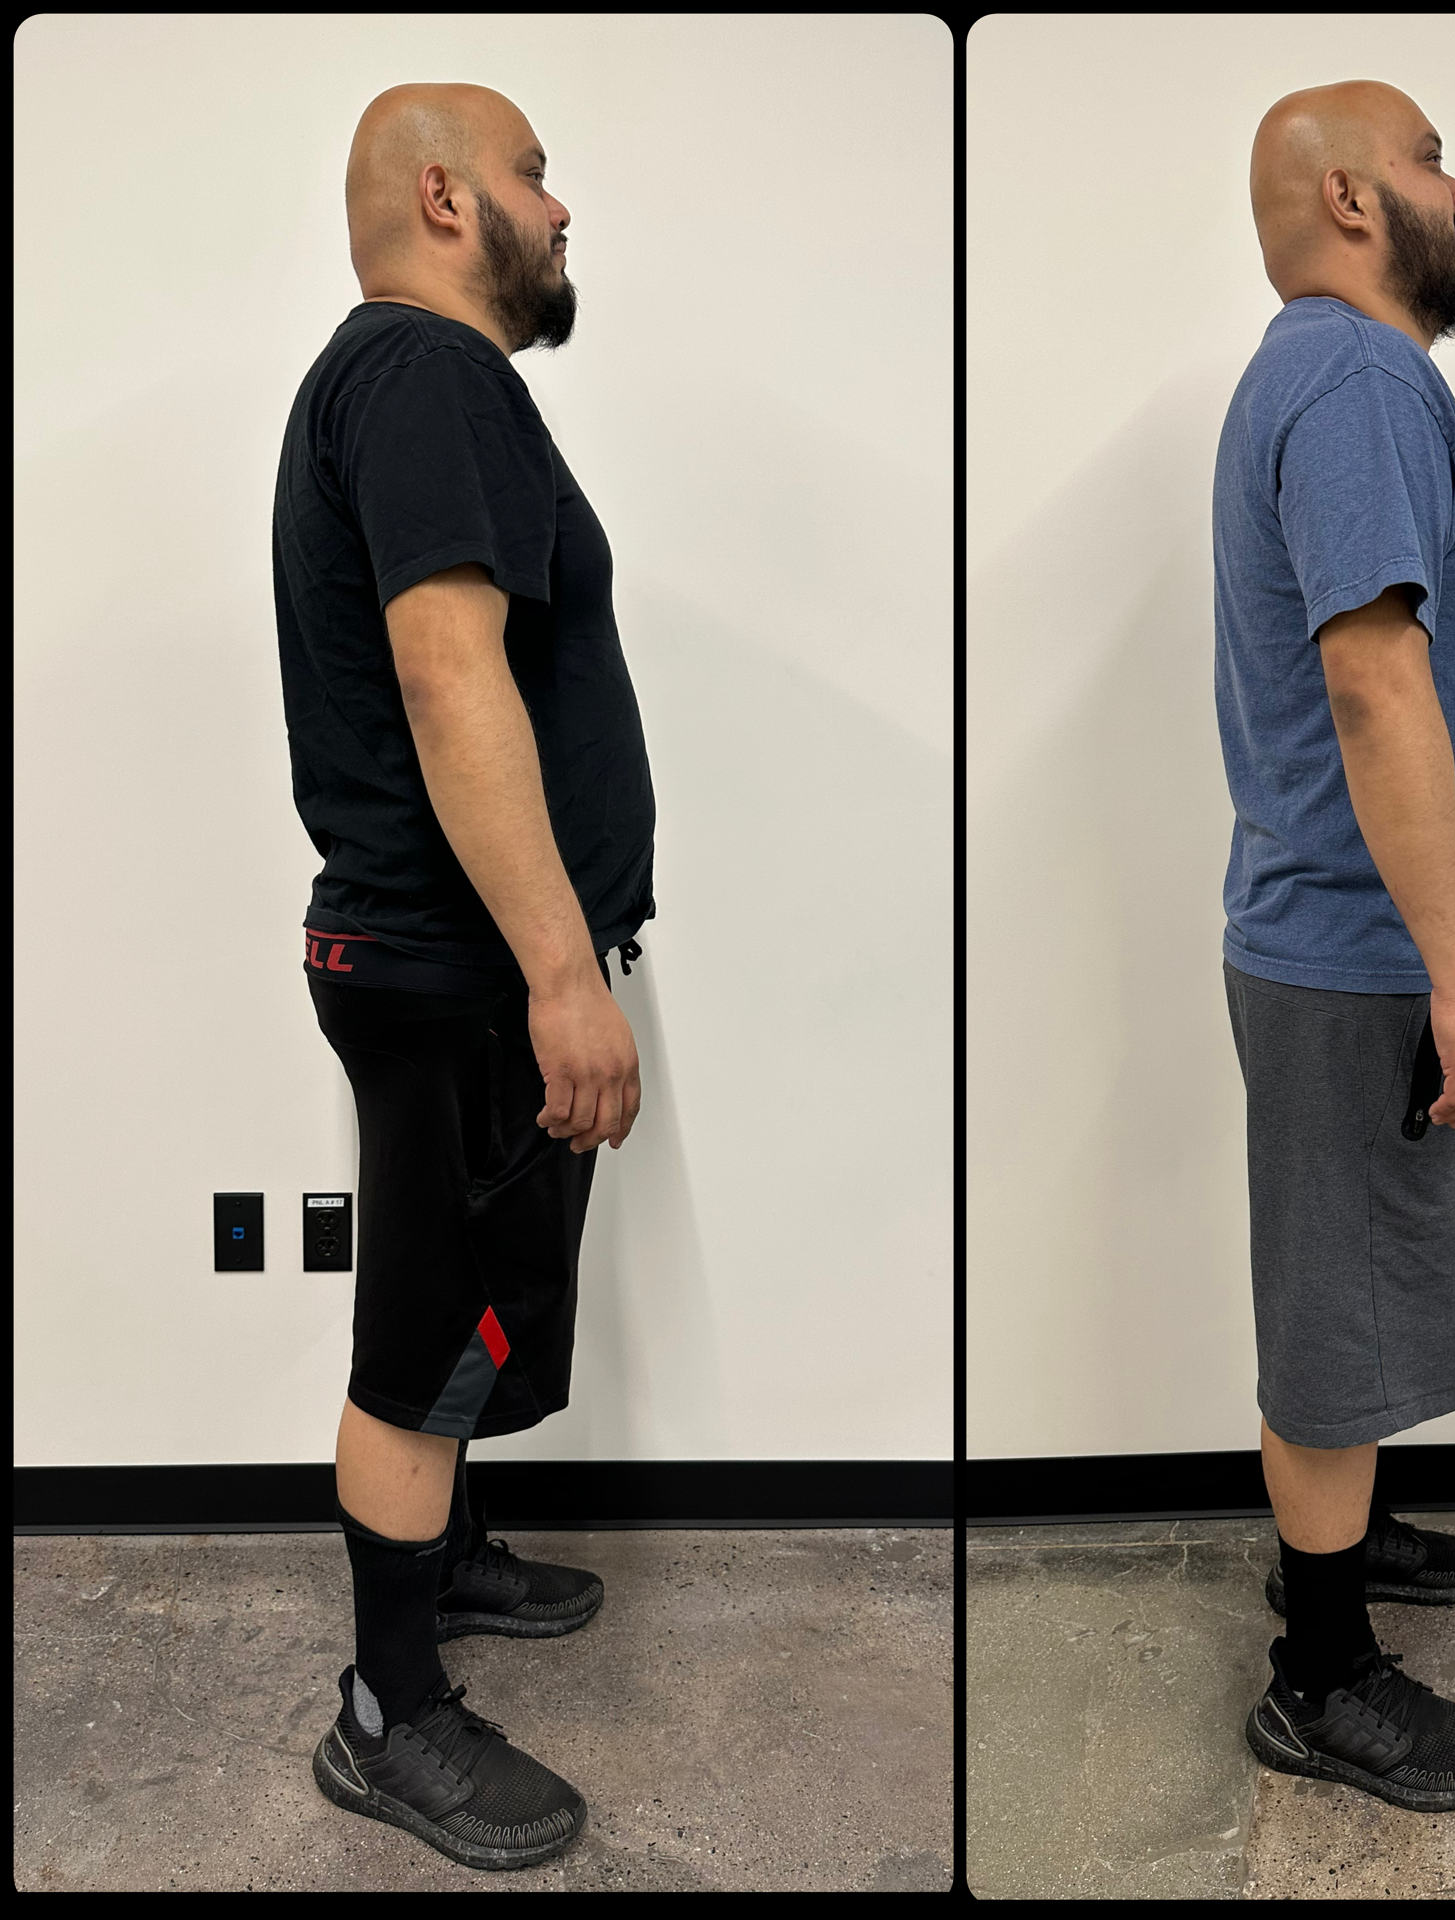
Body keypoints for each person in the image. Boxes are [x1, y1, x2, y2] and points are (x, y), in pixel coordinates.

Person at [271, 82, 655, 1869]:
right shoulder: (427, 378)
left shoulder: (406, 382)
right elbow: (450, 677)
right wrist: (561, 977)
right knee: (425, 1333)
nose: (561, 208)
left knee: (475, 1302)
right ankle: (387, 1713)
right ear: (444, 195)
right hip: (456, 959)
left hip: (448, 951)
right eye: (533, 174)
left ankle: (451, 1554)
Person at [1213, 79, 1455, 1812]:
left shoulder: (1348, 378)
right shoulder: (1351, 379)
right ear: (1351, 197)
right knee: (1335, 1311)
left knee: (1363, 1282)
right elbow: (1370, 672)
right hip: (1364, 954)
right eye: (1429, 158)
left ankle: (1348, 1535)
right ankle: (1316, 1678)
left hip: (1360, 945)